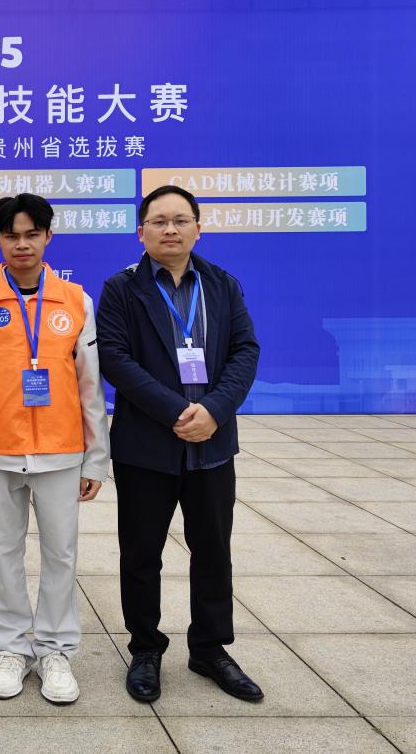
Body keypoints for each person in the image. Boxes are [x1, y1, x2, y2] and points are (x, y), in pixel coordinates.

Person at [96, 184, 262, 704]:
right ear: (140, 231)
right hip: (146, 446)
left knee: (212, 550)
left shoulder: (222, 284)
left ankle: (210, 648)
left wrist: (214, 410)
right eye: (159, 221)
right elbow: (115, 359)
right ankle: (145, 648)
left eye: (181, 220)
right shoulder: (121, 289)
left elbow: (245, 351)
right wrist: (175, 411)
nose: (170, 230)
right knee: (141, 553)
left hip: (212, 443)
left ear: (198, 228)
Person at [0, 193, 109, 705]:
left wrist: (96, 458)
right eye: (12, 236)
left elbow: (90, 384)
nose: (22, 244)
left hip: (62, 449)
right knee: (3, 552)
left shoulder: (76, 301)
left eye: (32, 234)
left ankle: (55, 650)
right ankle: (10, 648)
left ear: (48, 237)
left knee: (60, 552)